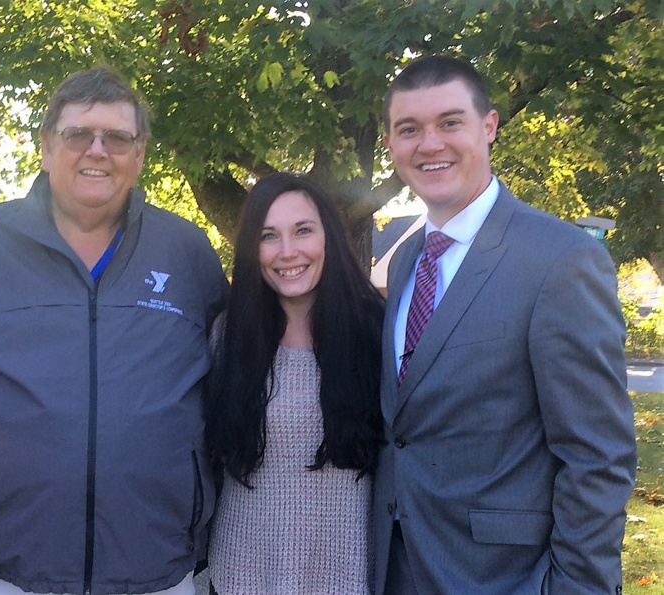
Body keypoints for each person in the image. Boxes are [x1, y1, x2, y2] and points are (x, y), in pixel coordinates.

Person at [0, 68, 228, 595]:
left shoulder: (186, 250)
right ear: (47, 147)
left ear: (139, 156)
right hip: (8, 568)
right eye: (78, 135)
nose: (98, 150)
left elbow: (231, 378)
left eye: (117, 137)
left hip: (156, 566)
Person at [375, 54, 637, 594]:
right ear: (390, 143)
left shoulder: (558, 259)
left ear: (489, 127)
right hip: (398, 568)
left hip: (505, 579)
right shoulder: (406, 262)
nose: (430, 144)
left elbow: (597, 457)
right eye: (409, 129)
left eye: (450, 122)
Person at [205, 172, 384, 594]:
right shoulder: (227, 337)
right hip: (240, 576)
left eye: (302, 230)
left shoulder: (377, 331)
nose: (288, 252)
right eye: (268, 236)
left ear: (329, 238)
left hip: (347, 578)